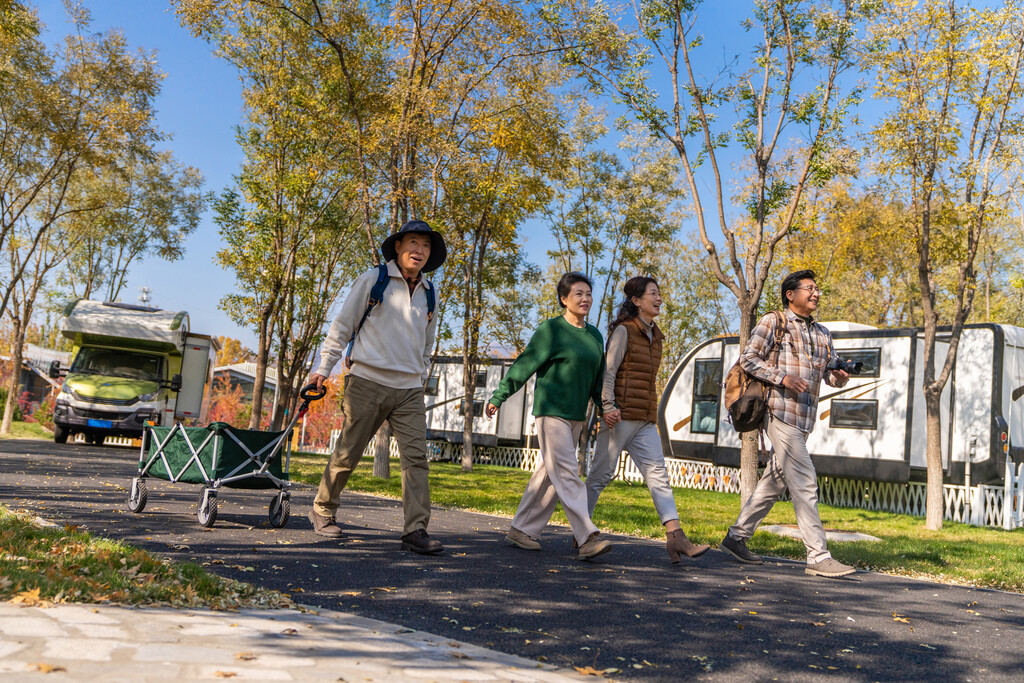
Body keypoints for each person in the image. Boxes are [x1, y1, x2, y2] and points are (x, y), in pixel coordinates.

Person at [306, 220, 446, 555]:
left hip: (409, 389)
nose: (419, 250)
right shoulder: (374, 280)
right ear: (398, 247)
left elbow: (427, 342)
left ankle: (415, 530)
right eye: (413, 242)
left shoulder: (430, 293)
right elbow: (342, 326)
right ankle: (323, 509)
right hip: (367, 381)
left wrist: (420, 370)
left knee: (416, 459)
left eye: (426, 246)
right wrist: (323, 369)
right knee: (349, 450)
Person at [719, 270, 854, 578]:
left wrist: (840, 378)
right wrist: (783, 378)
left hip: (805, 419)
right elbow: (748, 359)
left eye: (818, 289)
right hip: (780, 412)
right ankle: (818, 556)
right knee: (805, 481)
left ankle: (736, 537)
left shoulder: (823, 333)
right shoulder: (774, 321)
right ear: (791, 294)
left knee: (774, 482)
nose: (816, 293)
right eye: (810, 288)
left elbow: (829, 377)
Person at [485, 272, 612, 561]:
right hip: (551, 411)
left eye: (588, 294)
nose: (585, 299)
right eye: (578, 294)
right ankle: (587, 536)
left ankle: (521, 528)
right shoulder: (551, 330)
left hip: (577, 415)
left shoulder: (594, 335)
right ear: (564, 299)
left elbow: (597, 378)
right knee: (566, 471)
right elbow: (525, 364)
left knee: (548, 474)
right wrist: (499, 396)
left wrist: (604, 409)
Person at [585, 276, 710, 564]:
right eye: (653, 294)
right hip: (620, 416)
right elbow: (610, 371)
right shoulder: (624, 331)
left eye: (659, 293)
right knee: (600, 475)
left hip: (644, 418)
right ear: (636, 300)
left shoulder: (658, 336)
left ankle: (675, 537)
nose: (659, 298)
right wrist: (607, 405)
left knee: (659, 476)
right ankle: (583, 532)